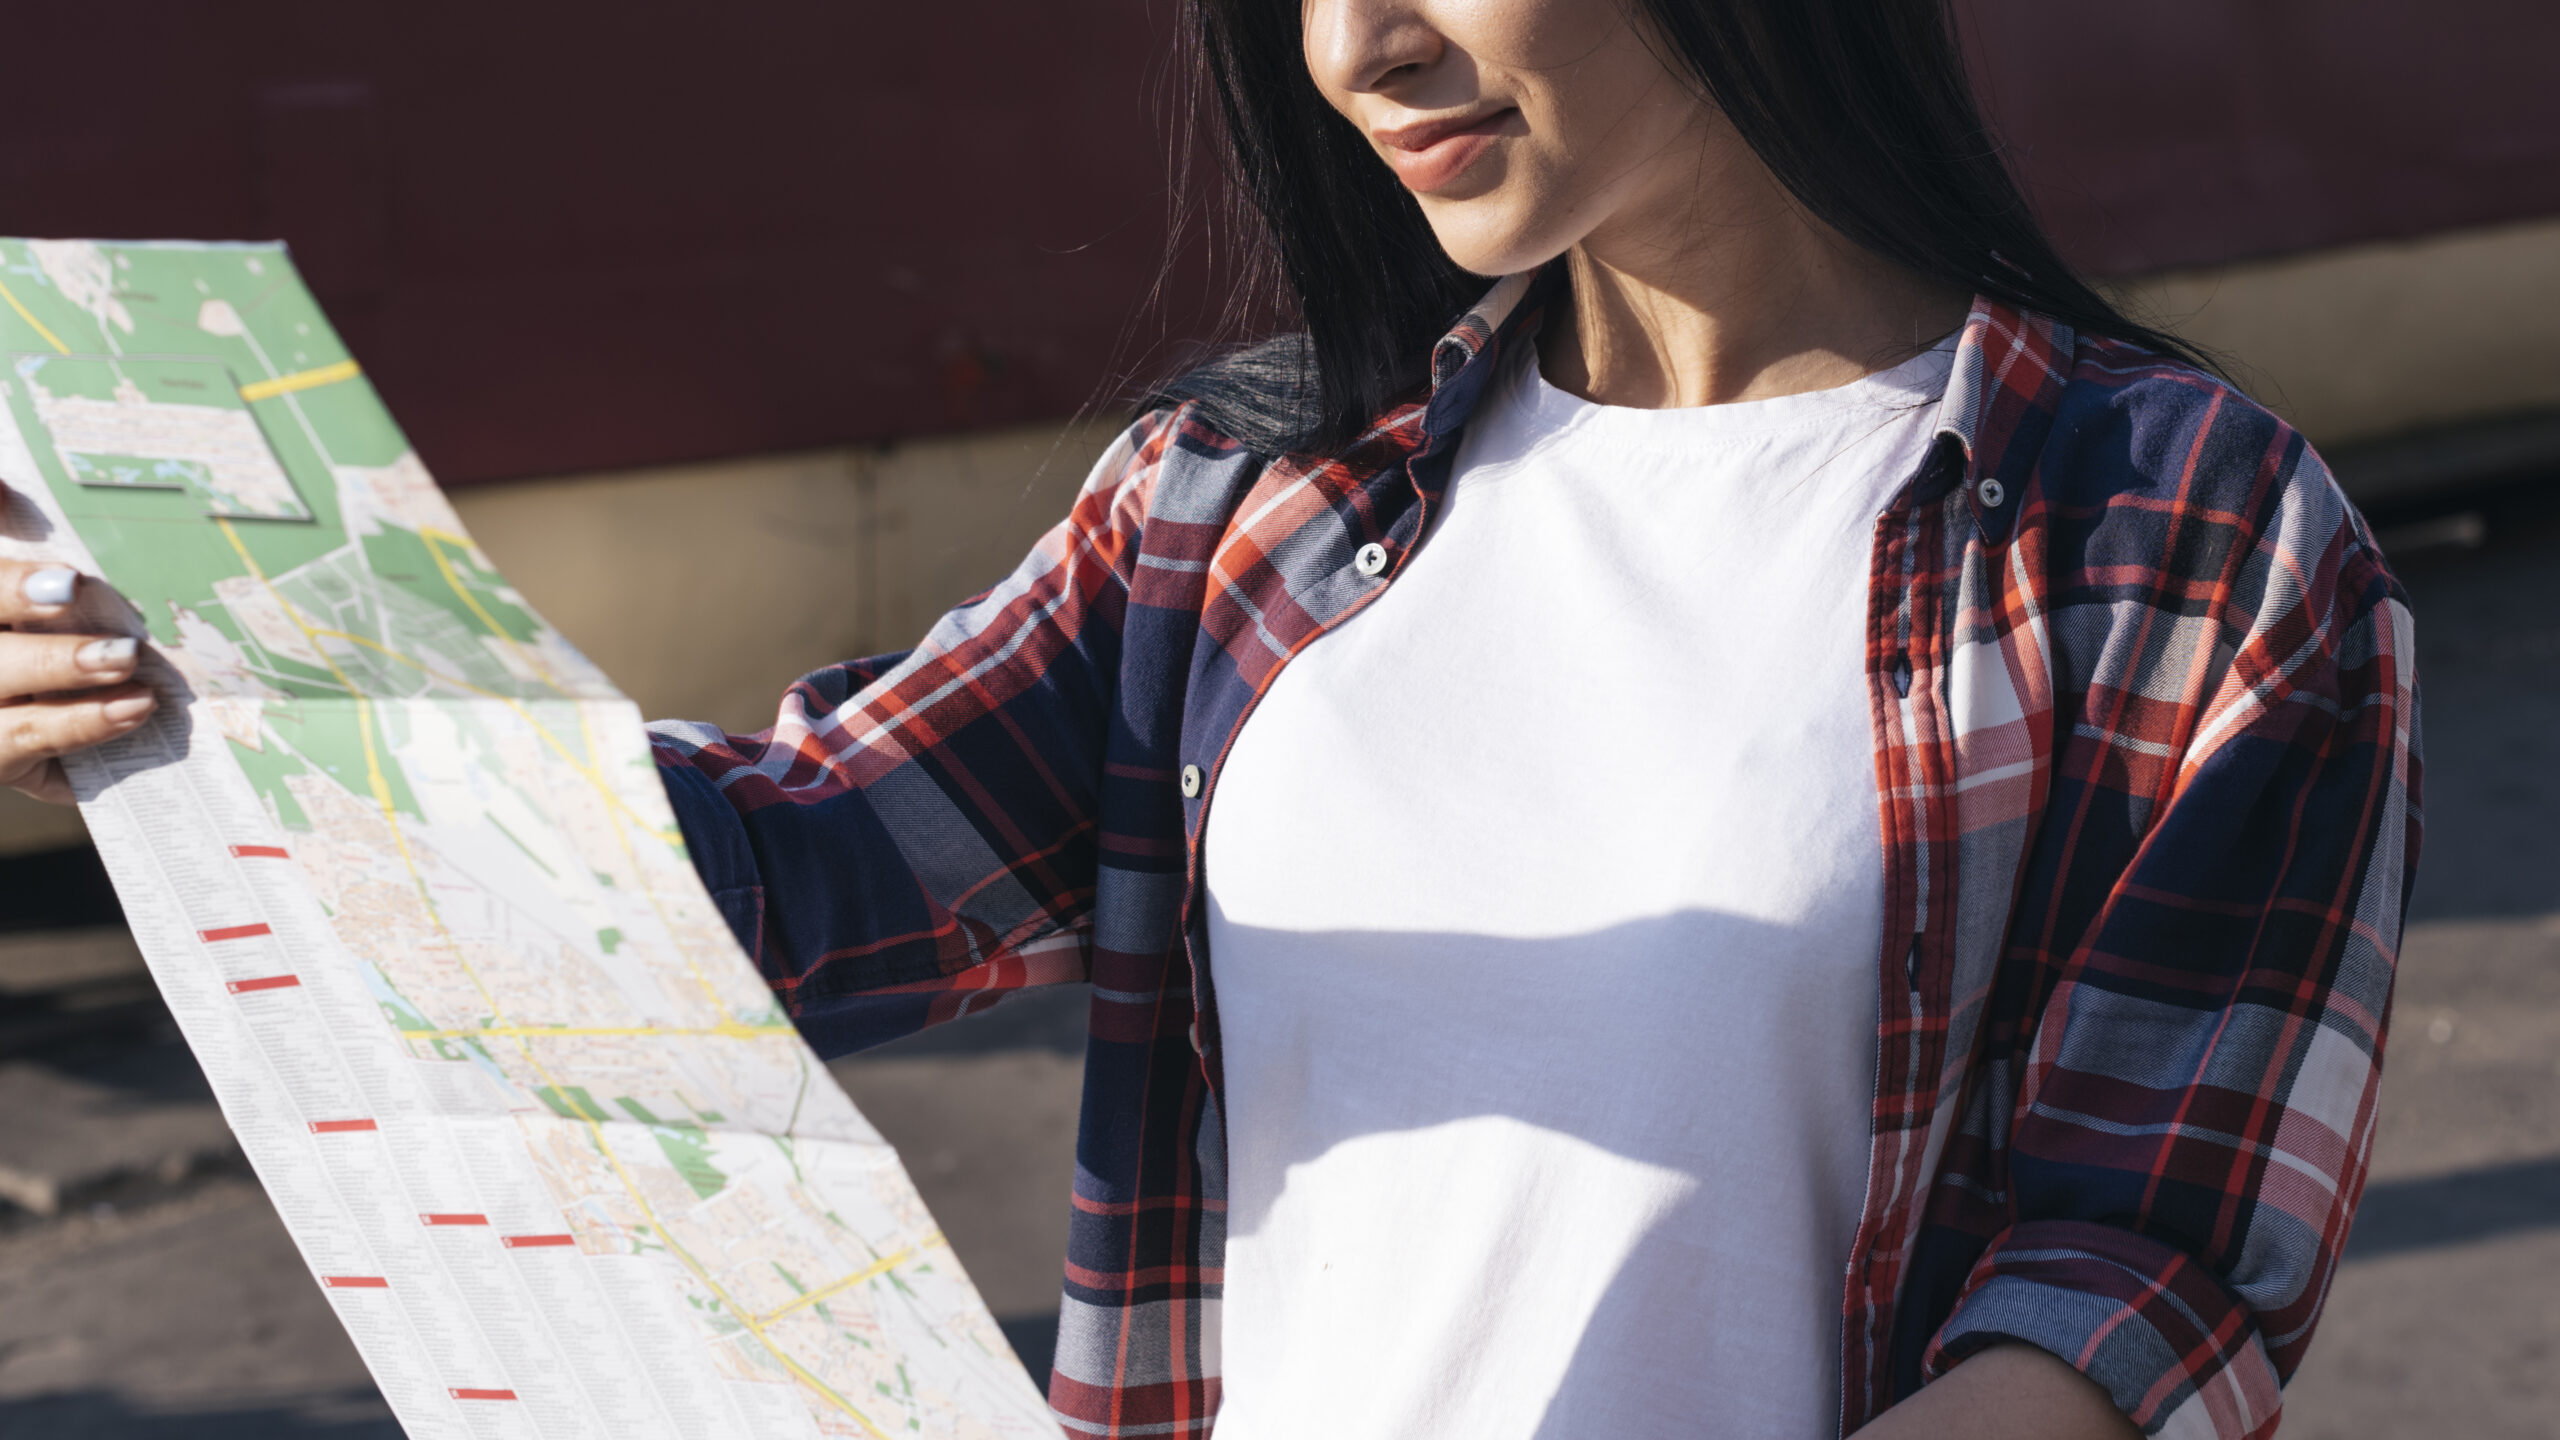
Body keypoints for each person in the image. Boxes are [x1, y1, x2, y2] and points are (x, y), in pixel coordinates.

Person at [19, 1, 2418, 1437]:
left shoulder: (2174, 533)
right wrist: (169, 690)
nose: (1359, 48)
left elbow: (2145, 1274)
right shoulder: (1245, 503)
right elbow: (788, 885)